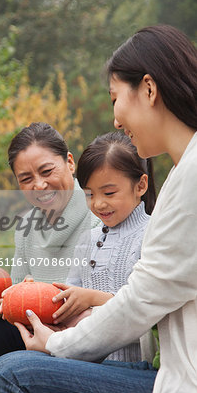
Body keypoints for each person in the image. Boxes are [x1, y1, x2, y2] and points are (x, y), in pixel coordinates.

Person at [0, 24, 197, 393]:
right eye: (24, 179)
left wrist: (57, 346)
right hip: (170, 378)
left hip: (180, 388)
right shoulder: (183, 177)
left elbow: (139, 302)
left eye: (116, 98)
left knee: (9, 376)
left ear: (149, 89)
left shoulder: (189, 181)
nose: (115, 119)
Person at [0, 122, 99, 370]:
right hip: (39, 332)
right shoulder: (26, 227)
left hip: (89, 333)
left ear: (70, 162)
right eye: (26, 179)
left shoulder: (101, 213)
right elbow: (21, 296)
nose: (39, 185)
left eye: (47, 171)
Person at [51, 131, 156, 363]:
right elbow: (69, 296)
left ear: (140, 185)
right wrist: (36, 291)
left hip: (132, 366)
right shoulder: (86, 239)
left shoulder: (152, 234)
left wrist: (92, 298)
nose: (98, 203)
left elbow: (147, 307)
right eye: (89, 194)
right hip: (84, 360)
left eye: (109, 193)